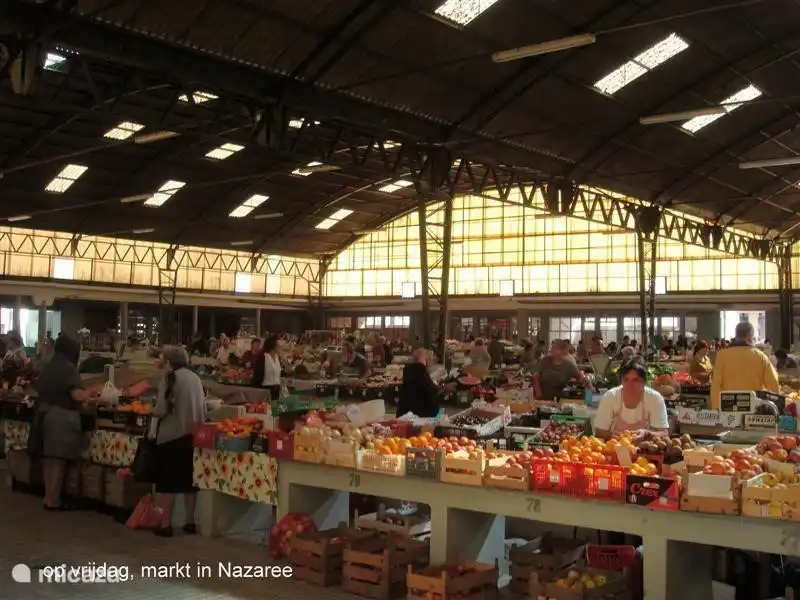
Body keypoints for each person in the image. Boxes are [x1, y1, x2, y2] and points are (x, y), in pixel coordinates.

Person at [34, 335, 94, 510]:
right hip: (62, 417)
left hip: (45, 414)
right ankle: (54, 501)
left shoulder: (49, 366)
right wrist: (93, 393)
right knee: (59, 461)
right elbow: (76, 395)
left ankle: (48, 498)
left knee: (49, 460)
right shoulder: (68, 369)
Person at [152, 346, 206, 537]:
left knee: (168, 482)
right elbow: (203, 408)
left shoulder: (169, 378)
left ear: (168, 362)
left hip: (171, 434)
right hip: (192, 435)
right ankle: (190, 522)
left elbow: (161, 409)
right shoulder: (196, 379)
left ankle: (165, 524)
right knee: (190, 481)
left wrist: (151, 409)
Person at [593, 358, 669, 439]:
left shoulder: (654, 398)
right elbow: (599, 431)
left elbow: (664, 433)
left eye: (635, 380)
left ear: (644, 381)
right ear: (620, 380)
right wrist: (616, 436)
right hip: (615, 447)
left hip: (644, 448)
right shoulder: (610, 397)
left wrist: (647, 434)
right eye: (626, 380)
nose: (630, 386)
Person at [710, 322, 779, 410]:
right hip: (754, 408)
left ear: (736, 335)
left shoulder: (722, 355)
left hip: (728, 406)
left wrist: (716, 408)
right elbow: (773, 383)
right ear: (751, 337)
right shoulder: (761, 356)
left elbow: (716, 383)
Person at [397, 348, 440, 418]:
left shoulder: (423, 373)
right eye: (429, 357)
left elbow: (428, 390)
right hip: (414, 420)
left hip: (427, 419)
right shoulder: (413, 372)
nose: (432, 360)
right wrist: (421, 358)